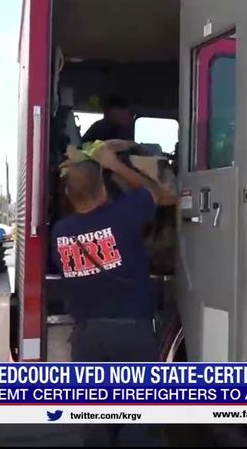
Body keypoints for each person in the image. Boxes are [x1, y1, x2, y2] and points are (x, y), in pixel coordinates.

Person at [51, 141, 174, 446]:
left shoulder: (60, 233)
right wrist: (115, 164)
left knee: (95, 425)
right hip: (130, 333)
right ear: (105, 189)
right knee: (139, 424)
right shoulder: (123, 215)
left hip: (86, 339)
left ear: (68, 195)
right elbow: (162, 195)